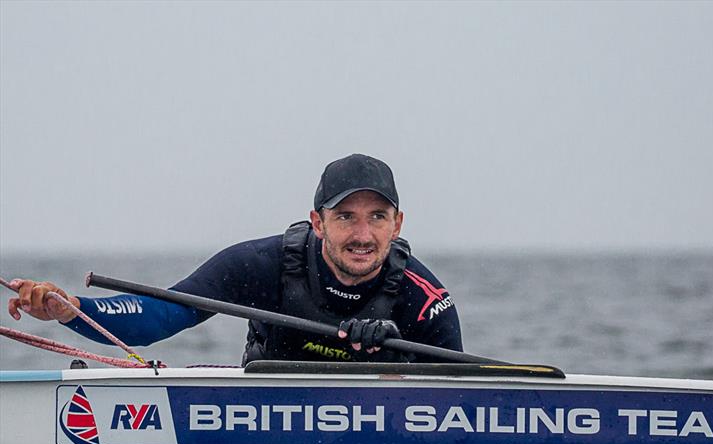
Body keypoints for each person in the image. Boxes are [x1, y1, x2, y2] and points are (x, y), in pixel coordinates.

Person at [7, 154, 462, 364]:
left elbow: (464, 407)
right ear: (318, 223)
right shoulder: (262, 264)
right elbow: (161, 313)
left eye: (376, 217)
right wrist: (71, 310)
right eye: (345, 217)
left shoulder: (424, 299)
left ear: (397, 224)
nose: (362, 235)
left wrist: (397, 360)